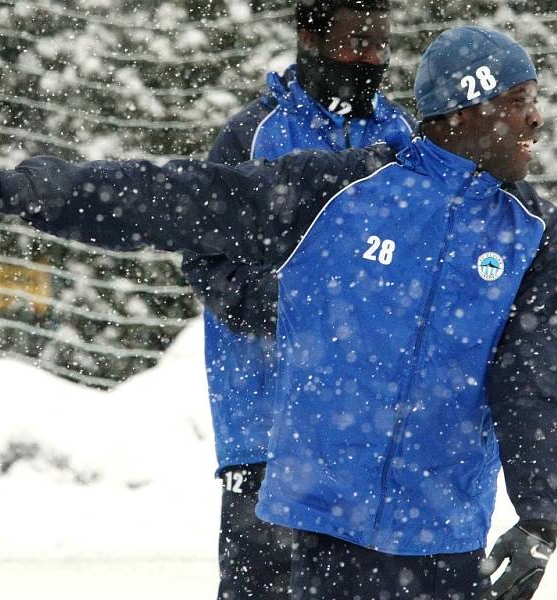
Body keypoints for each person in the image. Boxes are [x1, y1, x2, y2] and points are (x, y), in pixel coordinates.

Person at [0, 26, 557, 600]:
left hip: (444, 542)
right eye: (517, 102)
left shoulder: (532, 233)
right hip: (316, 534)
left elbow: (531, 382)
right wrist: (32, 191)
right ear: (461, 112)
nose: (535, 120)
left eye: (533, 102)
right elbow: (182, 199)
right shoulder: (343, 192)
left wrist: (541, 517)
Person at [183, 1, 414, 597]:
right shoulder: (253, 136)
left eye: (379, 43)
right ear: (308, 36)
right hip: (269, 432)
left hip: (369, 434)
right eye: (355, 41)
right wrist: (308, 311)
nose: (370, 58)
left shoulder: (400, 138)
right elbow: (209, 264)